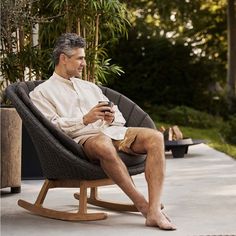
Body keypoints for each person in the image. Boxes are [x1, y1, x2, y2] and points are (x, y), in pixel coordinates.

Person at [29, 33, 176, 231]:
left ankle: (155, 209)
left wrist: (110, 117)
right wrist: (85, 119)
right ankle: (143, 206)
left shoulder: (90, 87)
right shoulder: (42, 92)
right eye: (80, 58)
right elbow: (51, 126)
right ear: (63, 58)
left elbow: (120, 117)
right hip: (83, 139)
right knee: (102, 144)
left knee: (156, 137)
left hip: (112, 132)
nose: (84, 63)